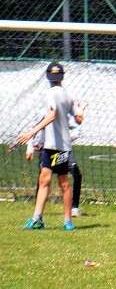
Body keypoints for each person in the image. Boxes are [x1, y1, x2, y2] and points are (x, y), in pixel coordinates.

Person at [16, 62, 81, 231]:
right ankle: (39, 219)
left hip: (56, 145)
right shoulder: (68, 95)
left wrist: (31, 133)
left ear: (48, 76)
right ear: (62, 76)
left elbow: (51, 116)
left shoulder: (51, 93)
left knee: (60, 182)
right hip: (56, 145)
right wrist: (82, 112)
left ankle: (66, 221)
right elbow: (78, 119)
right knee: (49, 180)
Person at [28, 103, 87, 217]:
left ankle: (72, 211)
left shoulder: (67, 114)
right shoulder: (45, 112)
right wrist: (30, 147)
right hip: (47, 149)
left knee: (69, 177)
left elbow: (76, 128)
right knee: (44, 179)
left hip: (62, 150)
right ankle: (38, 213)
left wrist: (80, 113)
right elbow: (33, 127)